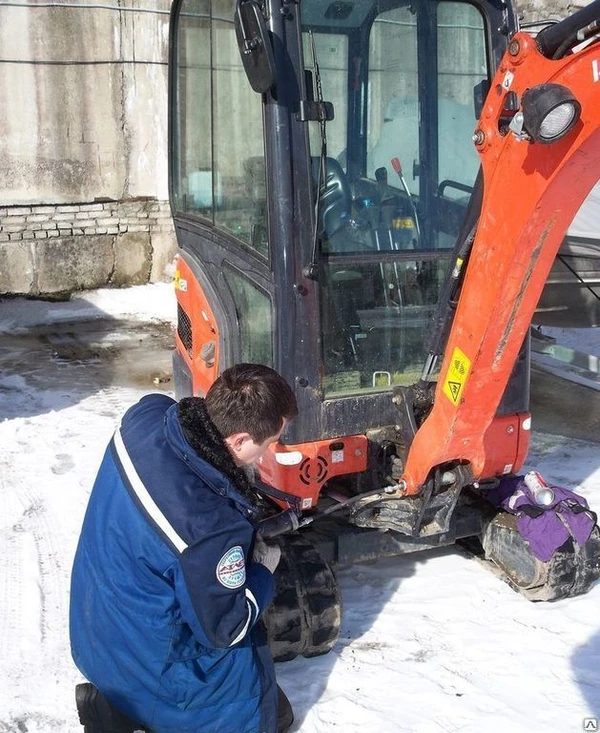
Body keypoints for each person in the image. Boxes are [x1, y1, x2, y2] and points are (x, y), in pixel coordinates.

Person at [69, 363, 298, 733]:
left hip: (95, 624)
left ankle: (117, 702)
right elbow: (225, 628)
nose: (268, 452)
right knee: (262, 711)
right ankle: (132, 711)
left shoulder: (145, 416)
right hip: (146, 662)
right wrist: (261, 572)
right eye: (268, 443)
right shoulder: (210, 531)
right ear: (239, 440)